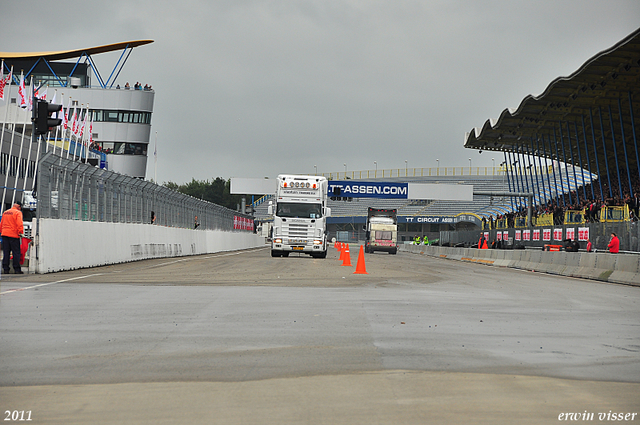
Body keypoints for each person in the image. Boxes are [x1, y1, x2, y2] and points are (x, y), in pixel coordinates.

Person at [1, 201, 24, 274]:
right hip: (14, 235)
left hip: (4, 234)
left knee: (6, 252)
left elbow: (1, 223)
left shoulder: (5, 212)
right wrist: (20, 232)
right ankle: (17, 269)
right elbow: (19, 223)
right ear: (19, 207)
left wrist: (2, 231)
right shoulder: (18, 212)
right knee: (16, 252)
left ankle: (6, 269)